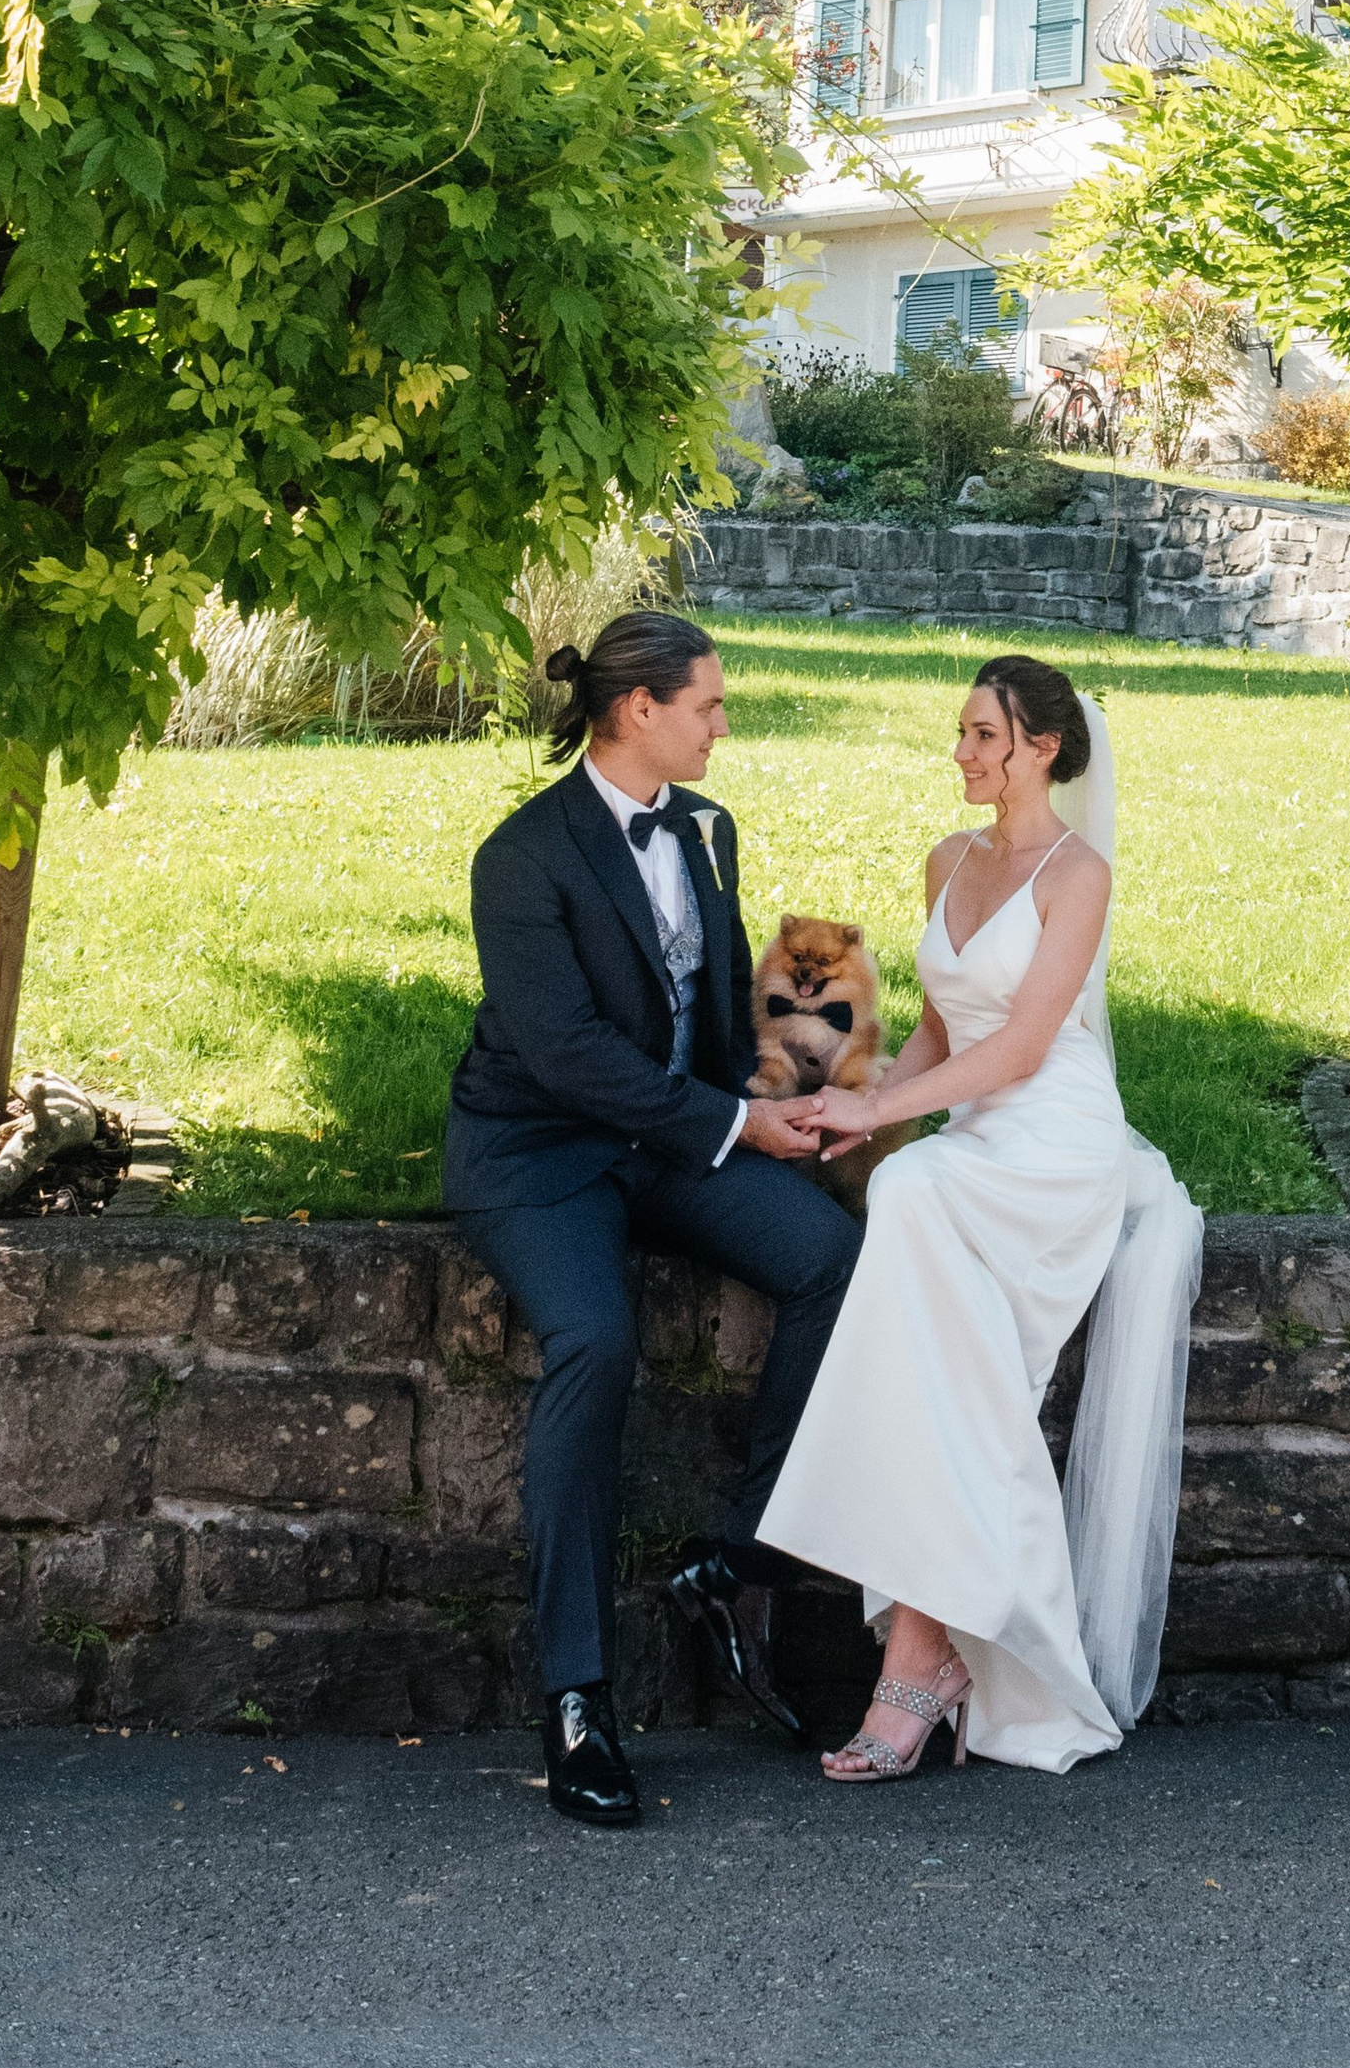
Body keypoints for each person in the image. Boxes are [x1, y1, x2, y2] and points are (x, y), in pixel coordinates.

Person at [443, 611, 859, 1829]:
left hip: (673, 1138)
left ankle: (742, 1556)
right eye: (708, 705)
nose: (723, 724)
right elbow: (565, 1052)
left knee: (834, 1259)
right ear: (639, 710)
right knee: (595, 1340)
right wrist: (733, 1127)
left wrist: (783, 1101)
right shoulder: (521, 857)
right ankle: (578, 1699)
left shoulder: (705, 828)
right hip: (539, 1150)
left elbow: (713, 1001)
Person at [760, 652, 1203, 1779]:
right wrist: (860, 1107)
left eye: (982, 736)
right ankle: (927, 1659)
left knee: (910, 1196)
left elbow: (1023, 1044)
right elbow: (941, 1028)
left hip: (1055, 1144)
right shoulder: (947, 859)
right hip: (971, 1139)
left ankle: (915, 1666)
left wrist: (884, 1116)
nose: (959, 751)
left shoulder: (1077, 875)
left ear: (1041, 749)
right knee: (958, 1375)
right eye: (959, 731)